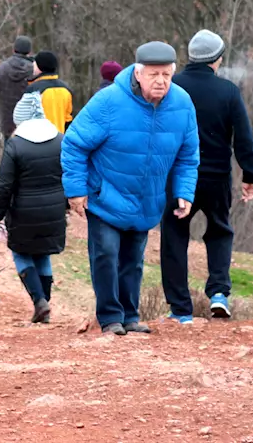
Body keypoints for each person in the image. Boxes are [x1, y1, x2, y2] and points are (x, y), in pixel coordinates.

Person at [62, 41, 199, 336]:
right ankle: (111, 317)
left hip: (146, 199)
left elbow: (189, 155)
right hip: (105, 195)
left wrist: (185, 192)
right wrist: (75, 190)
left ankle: (130, 316)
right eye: (154, 74)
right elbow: (74, 144)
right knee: (106, 254)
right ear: (138, 73)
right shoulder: (109, 101)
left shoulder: (183, 103)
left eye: (166, 74)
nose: (161, 81)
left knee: (133, 261)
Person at [160, 30, 253, 323]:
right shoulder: (228, 91)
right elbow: (243, 137)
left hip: (178, 178)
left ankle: (180, 309)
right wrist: (250, 174)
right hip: (217, 177)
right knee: (219, 231)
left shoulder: (172, 87)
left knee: (175, 236)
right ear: (217, 59)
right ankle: (218, 293)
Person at [0, 91, 66, 323]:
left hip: (23, 211)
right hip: (54, 209)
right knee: (42, 253)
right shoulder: (60, 140)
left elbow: (4, 185)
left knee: (21, 252)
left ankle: (39, 301)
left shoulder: (15, 145)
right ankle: (44, 305)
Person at [0, 35, 36, 141]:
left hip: (8, 123)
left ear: (14, 49)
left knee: (9, 154)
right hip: (30, 124)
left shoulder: (0, 69)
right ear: (29, 51)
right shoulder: (34, 70)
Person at [26, 50, 73, 133]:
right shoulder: (66, 89)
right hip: (59, 139)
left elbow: (25, 119)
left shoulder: (33, 89)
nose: (33, 65)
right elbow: (68, 120)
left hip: (38, 140)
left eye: (35, 63)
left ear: (40, 67)